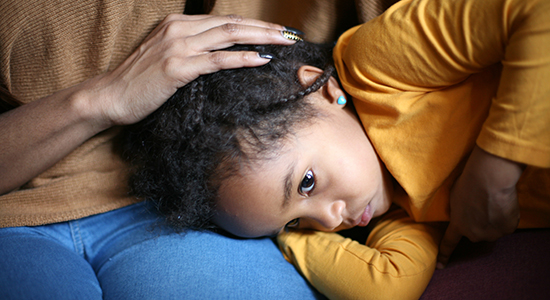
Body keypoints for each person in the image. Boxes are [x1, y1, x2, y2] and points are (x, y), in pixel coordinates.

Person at [122, 0, 550, 298]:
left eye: (307, 184)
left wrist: (494, 170)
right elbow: (385, 288)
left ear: (319, 88)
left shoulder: (378, 68)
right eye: (295, 224)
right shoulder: (401, 214)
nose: (329, 221)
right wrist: (283, 238)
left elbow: (536, 13)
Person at [0, 0, 341, 299]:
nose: (330, 222)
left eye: (294, 221)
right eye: (306, 182)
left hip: (174, 213)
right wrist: (99, 101)